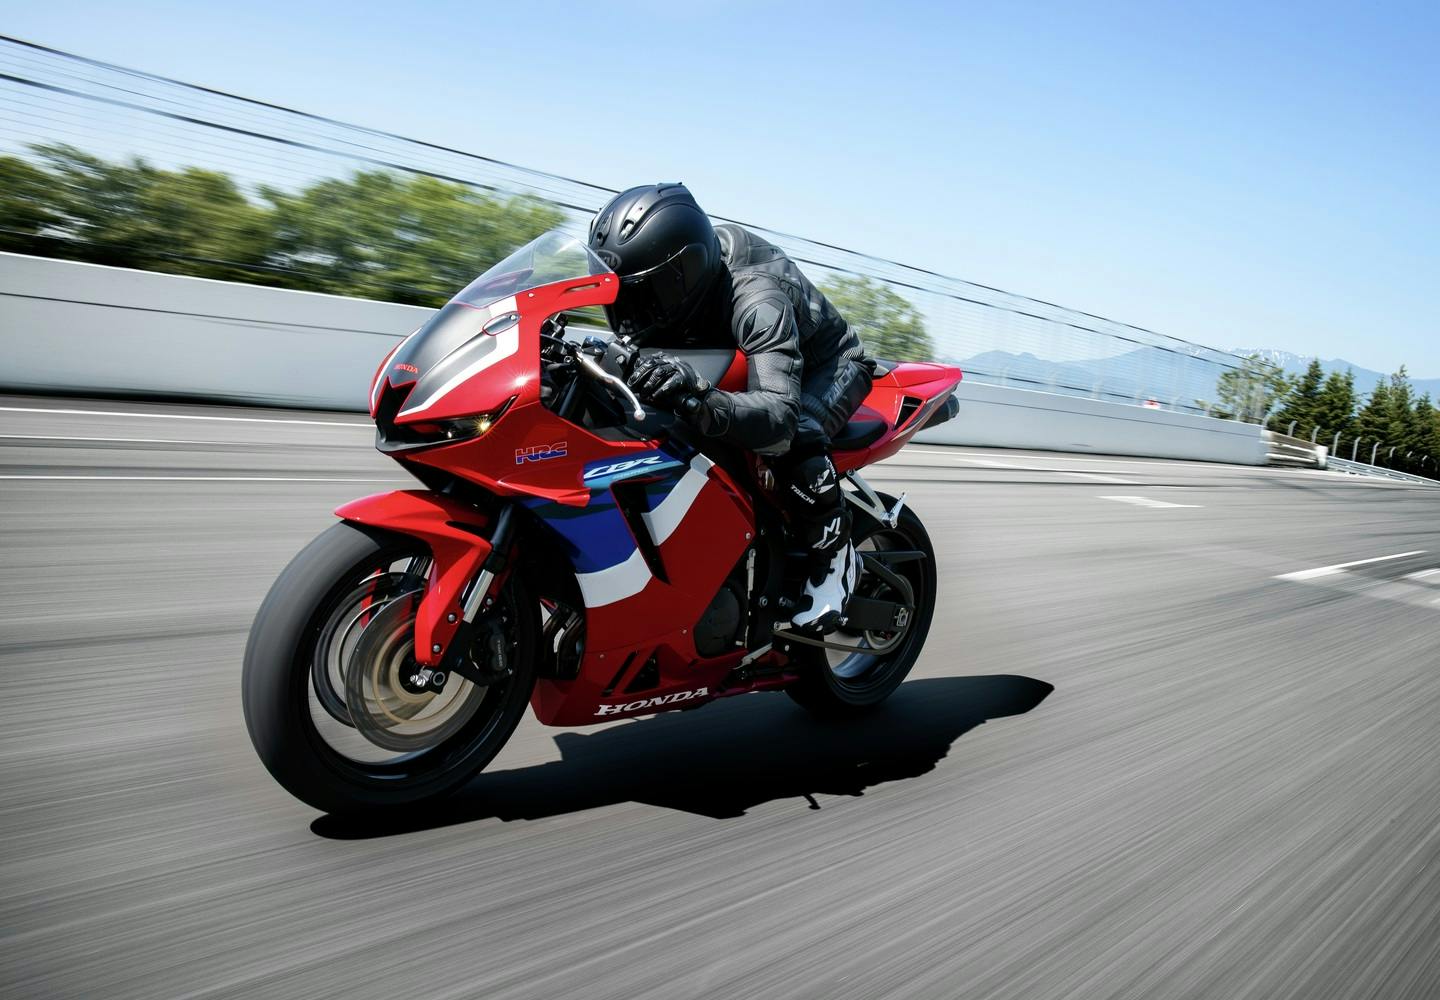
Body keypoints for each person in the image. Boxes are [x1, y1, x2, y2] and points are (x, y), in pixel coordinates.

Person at [587, 182, 873, 630]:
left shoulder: (758, 299)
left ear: (686, 273)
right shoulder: (680, 284)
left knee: (794, 438)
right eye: (620, 293)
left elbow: (777, 416)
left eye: (645, 294)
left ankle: (835, 560)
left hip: (829, 365)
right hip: (744, 352)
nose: (630, 311)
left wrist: (699, 397)